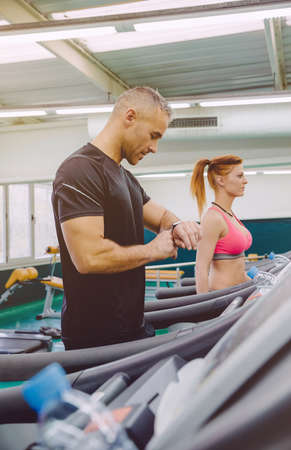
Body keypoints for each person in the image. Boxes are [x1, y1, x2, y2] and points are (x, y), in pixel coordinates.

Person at [52, 86, 201, 350]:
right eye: (153, 136)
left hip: (133, 327)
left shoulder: (125, 178)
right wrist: (152, 250)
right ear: (130, 116)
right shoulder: (79, 170)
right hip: (95, 339)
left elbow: (162, 216)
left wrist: (177, 226)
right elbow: (89, 258)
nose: (154, 148)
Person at [190, 155, 252, 294]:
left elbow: (237, 267)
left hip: (241, 292)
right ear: (221, 180)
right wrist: (203, 307)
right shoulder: (212, 218)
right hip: (223, 297)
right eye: (240, 176)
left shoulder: (230, 214)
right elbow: (201, 268)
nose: (245, 181)